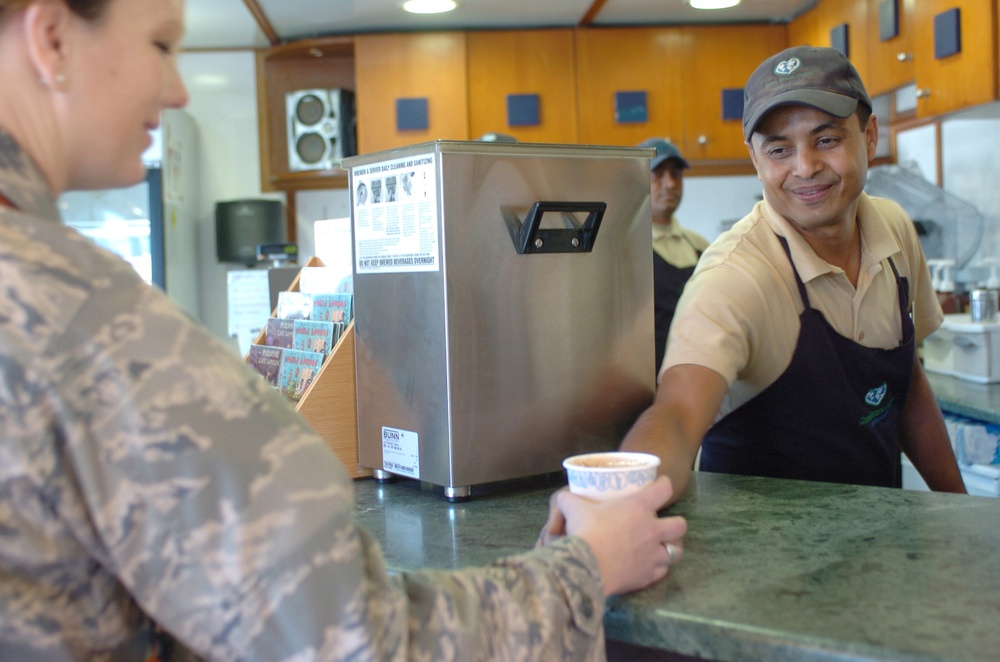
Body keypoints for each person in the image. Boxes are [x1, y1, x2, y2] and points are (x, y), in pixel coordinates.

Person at [0, 1, 687, 660]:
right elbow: (352, 638)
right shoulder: (88, 318)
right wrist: (587, 566)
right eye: (159, 43)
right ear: (53, 39)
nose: (179, 89)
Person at [618, 46, 966, 502]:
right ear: (755, 159)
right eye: (779, 149)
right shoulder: (736, 275)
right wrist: (619, 503)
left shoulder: (895, 230)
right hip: (758, 559)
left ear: (870, 135)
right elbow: (677, 413)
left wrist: (962, 513)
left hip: (880, 545)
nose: (805, 168)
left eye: (827, 140)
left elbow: (908, 386)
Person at [637, 138, 709, 375]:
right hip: (647, 383)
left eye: (676, 174)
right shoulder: (626, 251)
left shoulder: (700, 246)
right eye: (657, 174)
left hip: (700, 373)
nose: (669, 184)